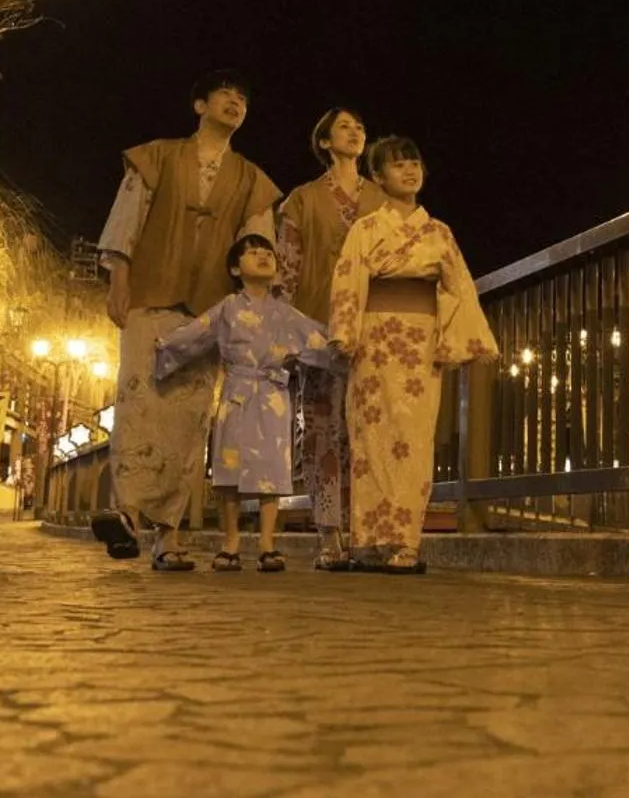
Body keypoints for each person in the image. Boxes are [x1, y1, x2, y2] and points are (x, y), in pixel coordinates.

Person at [93, 71, 281, 571]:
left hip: (209, 309)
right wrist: (118, 282)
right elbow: (125, 219)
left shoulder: (251, 180)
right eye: (225, 95)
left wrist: (250, 313)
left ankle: (168, 536)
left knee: (190, 419)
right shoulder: (157, 156)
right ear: (199, 104)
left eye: (243, 98)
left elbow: (257, 248)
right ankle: (127, 512)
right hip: (150, 296)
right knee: (138, 401)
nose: (235, 102)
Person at [327, 136, 500, 573]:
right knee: (369, 438)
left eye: (414, 163)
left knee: (414, 441)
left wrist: (466, 339)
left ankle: (405, 543)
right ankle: (368, 542)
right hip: (374, 338)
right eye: (397, 165)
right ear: (378, 177)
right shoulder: (365, 229)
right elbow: (348, 281)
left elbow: (459, 288)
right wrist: (345, 333)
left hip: (420, 342)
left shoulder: (439, 232)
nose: (409, 171)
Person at [154, 234, 335, 573]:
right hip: (237, 392)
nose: (263, 257)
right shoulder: (227, 309)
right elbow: (197, 332)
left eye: (268, 252)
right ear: (235, 267)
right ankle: (231, 541)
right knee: (228, 469)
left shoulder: (286, 314)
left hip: (272, 395)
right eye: (253, 253)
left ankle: (267, 542)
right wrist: (164, 345)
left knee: (273, 469)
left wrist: (346, 344)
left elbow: (318, 338)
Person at [274, 107, 383, 570]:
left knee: (370, 430)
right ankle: (329, 533)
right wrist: (284, 331)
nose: (355, 132)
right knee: (322, 431)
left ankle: (367, 530)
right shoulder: (301, 200)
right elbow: (287, 267)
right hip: (317, 325)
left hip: (375, 327)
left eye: (359, 126)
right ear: (324, 142)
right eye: (344, 127)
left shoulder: (382, 197)